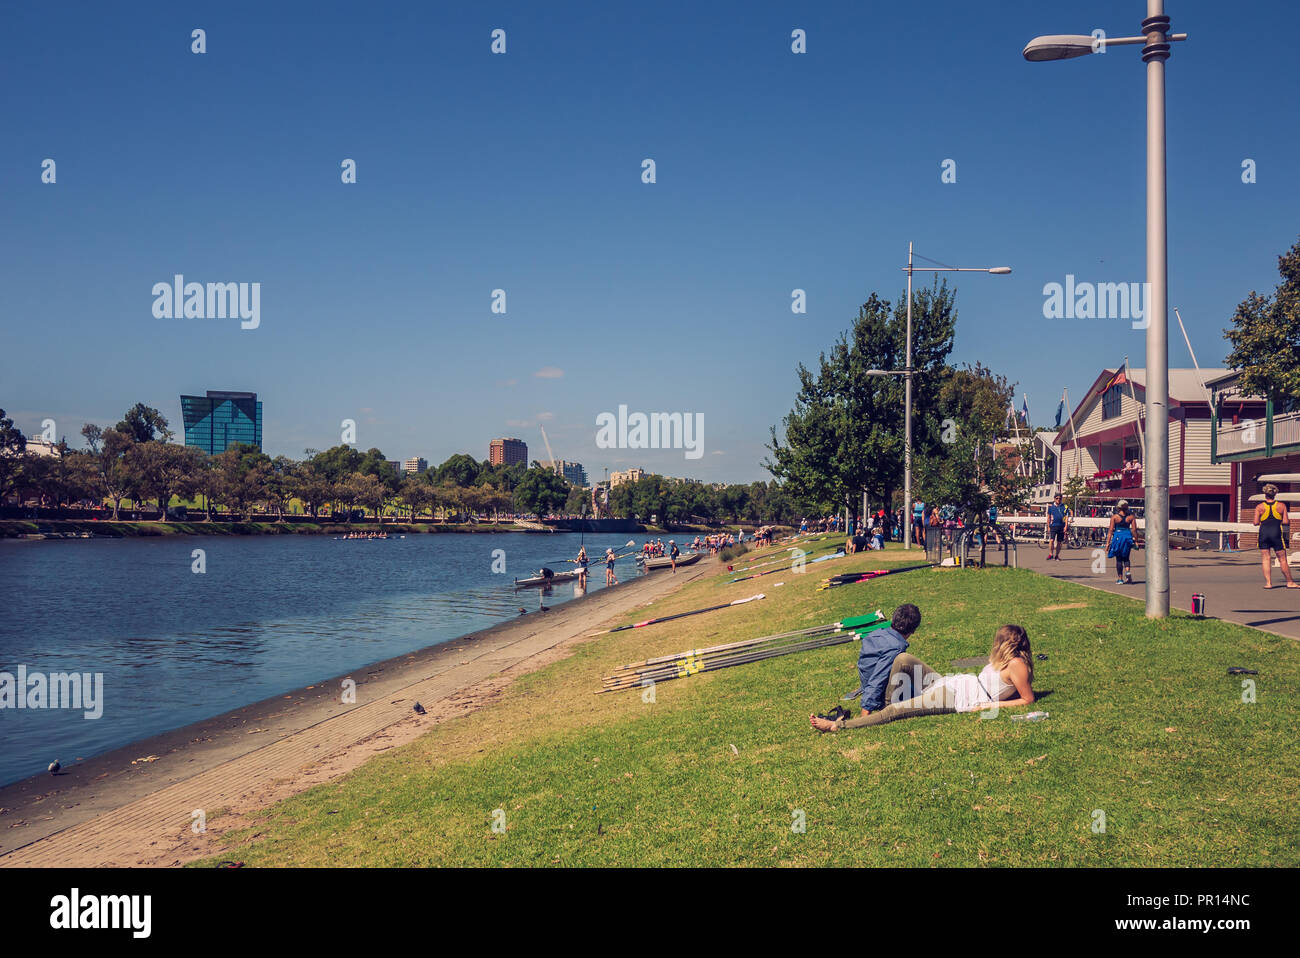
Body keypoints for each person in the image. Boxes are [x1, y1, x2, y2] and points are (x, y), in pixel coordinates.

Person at [810, 624, 1036, 730]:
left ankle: (838, 727)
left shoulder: (1017, 664)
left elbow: (1028, 700)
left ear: (1007, 643)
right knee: (903, 659)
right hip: (952, 683)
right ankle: (890, 703)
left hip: (957, 699)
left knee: (894, 713)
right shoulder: (1007, 660)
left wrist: (989, 706)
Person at [840, 604, 922, 719]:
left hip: (868, 685)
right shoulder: (895, 647)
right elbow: (878, 678)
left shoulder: (877, 633)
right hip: (884, 697)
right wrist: (865, 713)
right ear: (912, 630)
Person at [1253, 484, 1298, 589]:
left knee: (1265, 559)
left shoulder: (1259, 507)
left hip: (1263, 534)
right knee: (1282, 559)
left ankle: (1268, 583)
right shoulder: (1281, 506)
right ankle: (1290, 582)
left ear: (1265, 494)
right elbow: (1286, 521)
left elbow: (1255, 522)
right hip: (1276, 533)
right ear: (1275, 494)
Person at [1105, 500, 1137, 585]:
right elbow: (1134, 530)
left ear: (1118, 507)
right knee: (1126, 557)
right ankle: (1127, 571)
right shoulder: (1131, 517)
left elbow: (1110, 531)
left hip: (1118, 537)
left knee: (1119, 559)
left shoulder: (1115, 517)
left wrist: (1107, 544)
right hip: (1127, 536)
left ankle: (1120, 579)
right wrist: (1136, 541)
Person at [1046, 493, 1069, 561]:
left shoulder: (1064, 506)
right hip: (1053, 526)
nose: (1058, 500)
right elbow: (1048, 517)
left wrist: (1066, 526)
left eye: (1060, 498)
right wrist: (1048, 526)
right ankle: (1050, 554)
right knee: (1051, 540)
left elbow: (1066, 517)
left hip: (1061, 526)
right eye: (1057, 498)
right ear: (1054, 499)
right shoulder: (1051, 507)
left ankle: (1057, 555)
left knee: (1059, 542)